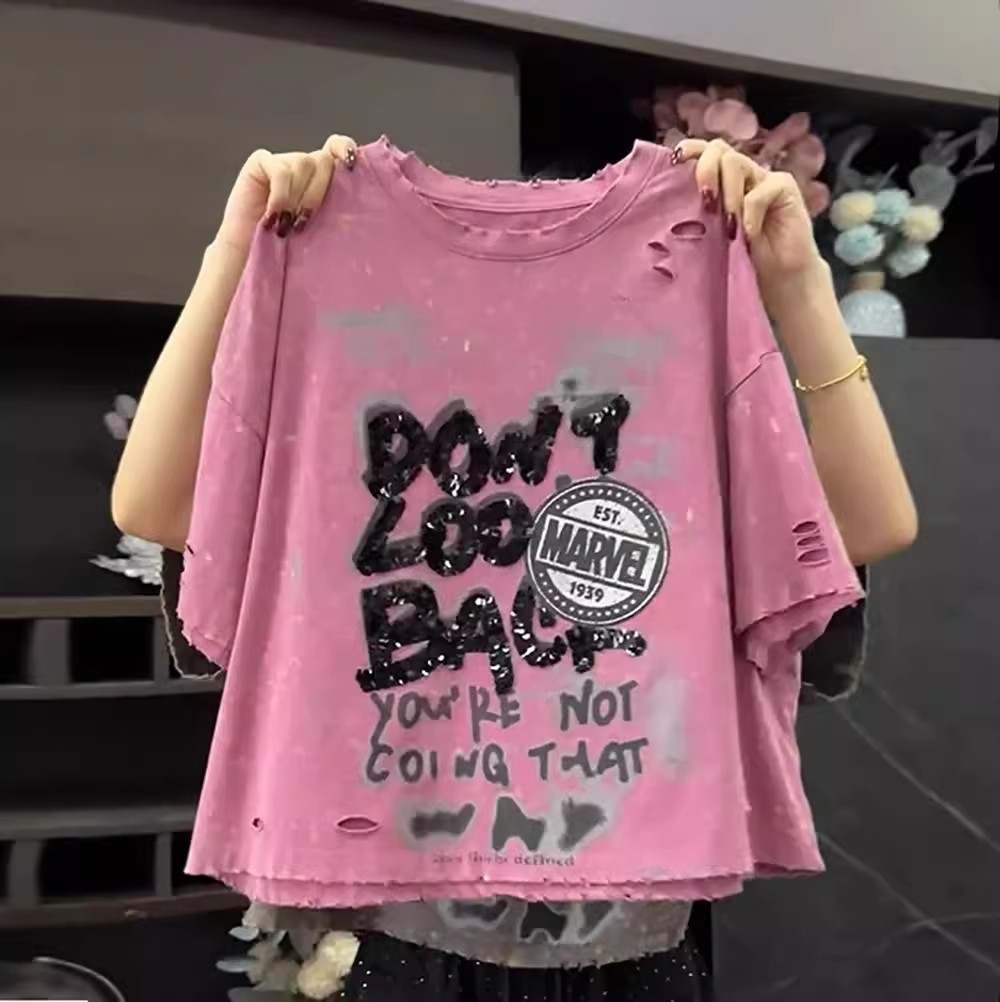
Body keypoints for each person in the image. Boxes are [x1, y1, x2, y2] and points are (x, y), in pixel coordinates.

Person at [112, 134, 917, 1001]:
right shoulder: (337, 321)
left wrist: (797, 285)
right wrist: (236, 251)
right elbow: (151, 506)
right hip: (414, 965)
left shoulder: (686, 358)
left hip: (639, 967)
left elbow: (873, 525)